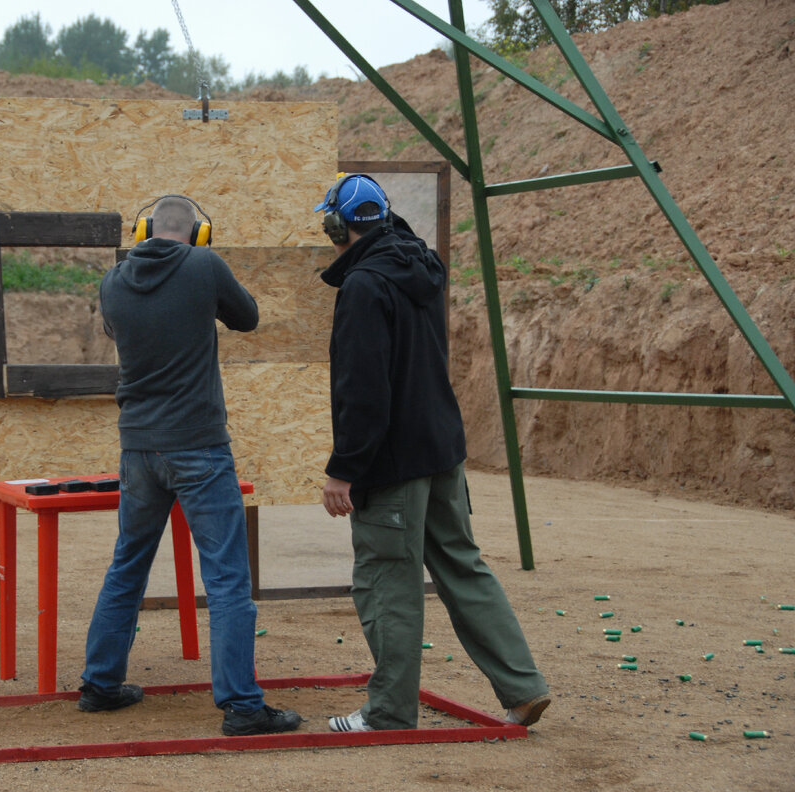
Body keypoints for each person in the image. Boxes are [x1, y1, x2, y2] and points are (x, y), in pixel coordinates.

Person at [312, 174, 551, 732]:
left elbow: (364, 392)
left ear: (337, 227)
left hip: (394, 462)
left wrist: (345, 470)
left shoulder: (366, 287)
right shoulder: (420, 268)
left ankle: (390, 712)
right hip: (443, 450)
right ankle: (522, 686)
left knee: (386, 579)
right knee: (463, 568)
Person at [77, 194, 302, 737]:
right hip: (198, 445)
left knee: (127, 564)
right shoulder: (203, 264)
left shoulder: (113, 282)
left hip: (138, 448)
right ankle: (243, 707)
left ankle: (100, 685)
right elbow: (246, 318)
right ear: (197, 233)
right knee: (226, 576)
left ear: (142, 230)